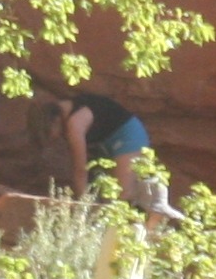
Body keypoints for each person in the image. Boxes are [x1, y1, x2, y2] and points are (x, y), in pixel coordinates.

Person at [50, 88, 178, 221]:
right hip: (107, 145)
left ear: (55, 120)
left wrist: (82, 209)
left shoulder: (74, 124)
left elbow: (80, 170)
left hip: (128, 136)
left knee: (122, 196)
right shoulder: (66, 108)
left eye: (56, 134)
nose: (59, 137)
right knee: (107, 194)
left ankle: (137, 230)